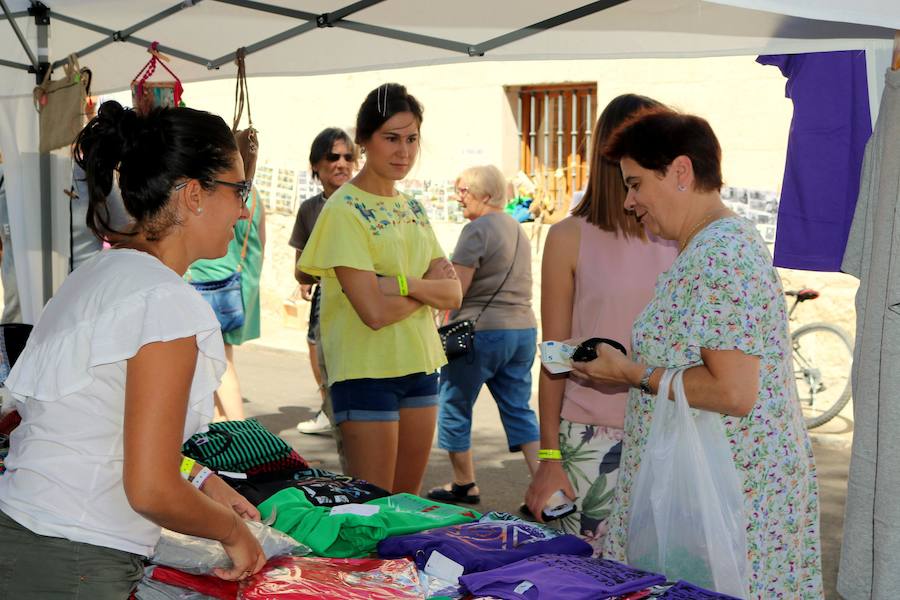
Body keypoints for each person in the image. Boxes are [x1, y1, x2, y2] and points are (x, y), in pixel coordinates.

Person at [0, 101, 266, 598]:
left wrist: (203, 479)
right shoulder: (165, 302)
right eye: (239, 190)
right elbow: (150, 489)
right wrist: (233, 533)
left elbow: (98, 425)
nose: (245, 208)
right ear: (193, 195)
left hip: (27, 534)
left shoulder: (103, 273)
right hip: (71, 556)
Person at [572, 107, 822, 597]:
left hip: (728, 500)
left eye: (636, 183)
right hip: (716, 492)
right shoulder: (713, 247)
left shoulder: (719, 253)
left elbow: (732, 391)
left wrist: (631, 372)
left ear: (681, 172)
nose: (628, 201)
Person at [524, 94, 677, 551]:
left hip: (671, 434)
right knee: (586, 578)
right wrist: (548, 457)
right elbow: (554, 356)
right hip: (590, 441)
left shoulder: (685, 238)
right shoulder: (569, 236)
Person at [298, 83, 462, 493]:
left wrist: (403, 284)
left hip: (420, 364)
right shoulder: (343, 210)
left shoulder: (412, 206)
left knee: (404, 506)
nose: (403, 151)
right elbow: (373, 312)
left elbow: (454, 294)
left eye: (411, 139)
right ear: (364, 140)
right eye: (391, 138)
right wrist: (426, 292)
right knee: (374, 509)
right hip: (365, 371)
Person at [427, 165, 539, 505]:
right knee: (519, 408)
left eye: (465, 192)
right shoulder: (518, 228)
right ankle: (546, 488)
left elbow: (457, 291)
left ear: (486, 196)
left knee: (454, 401)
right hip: (522, 330)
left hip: (480, 332)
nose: (458, 197)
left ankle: (464, 482)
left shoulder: (476, 230)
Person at [189, 130, 266, 422]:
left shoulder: (221, 195)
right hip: (238, 285)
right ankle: (225, 423)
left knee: (220, 363)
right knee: (219, 360)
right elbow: (260, 245)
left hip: (210, 285)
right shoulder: (256, 198)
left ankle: (238, 427)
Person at [290, 127, 356, 434]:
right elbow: (300, 266)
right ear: (316, 164)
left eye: (348, 156)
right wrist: (308, 275)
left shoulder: (362, 203)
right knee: (316, 349)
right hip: (326, 294)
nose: (342, 163)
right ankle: (330, 409)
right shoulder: (309, 209)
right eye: (333, 157)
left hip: (363, 296)